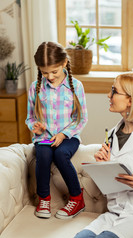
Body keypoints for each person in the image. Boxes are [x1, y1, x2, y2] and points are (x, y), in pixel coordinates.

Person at [73, 72, 133, 238]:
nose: (108, 95)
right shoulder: (112, 134)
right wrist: (103, 167)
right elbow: (111, 186)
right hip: (116, 212)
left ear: (131, 100)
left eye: (114, 91)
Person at [25, 41, 88, 220]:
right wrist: (35, 128)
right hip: (44, 138)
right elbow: (30, 118)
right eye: (45, 72)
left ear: (64, 63)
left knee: (61, 154)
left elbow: (81, 119)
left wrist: (63, 134)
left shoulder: (76, 86)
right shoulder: (35, 88)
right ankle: (44, 199)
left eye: (54, 71)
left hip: (69, 137)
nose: (50, 76)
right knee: (43, 155)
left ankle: (77, 198)